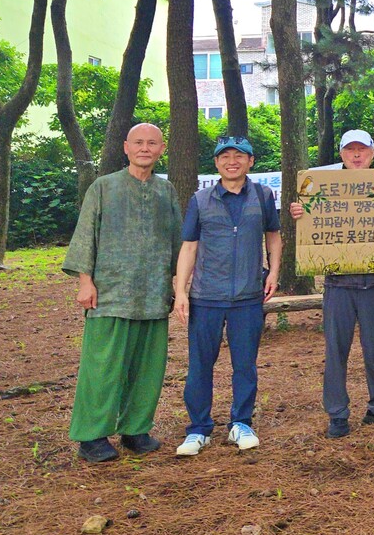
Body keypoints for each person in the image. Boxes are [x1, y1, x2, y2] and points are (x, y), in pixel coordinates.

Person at [63, 124, 182, 463]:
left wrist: (178, 284)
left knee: (148, 368)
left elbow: (177, 242)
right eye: (138, 143)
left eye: (152, 143)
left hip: (153, 294)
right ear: (126, 148)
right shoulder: (104, 187)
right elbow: (86, 233)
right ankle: (92, 436)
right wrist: (85, 281)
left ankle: (135, 429)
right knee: (102, 368)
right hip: (110, 293)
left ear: (162, 149)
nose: (145, 148)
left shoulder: (166, 191)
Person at [289, 129, 374, 438]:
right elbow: (311, 228)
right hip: (339, 283)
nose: (356, 155)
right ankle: (338, 414)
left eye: (362, 150)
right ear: (342, 154)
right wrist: (301, 215)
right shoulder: (322, 187)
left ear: (372, 154)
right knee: (336, 350)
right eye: (350, 150)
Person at [173, 136, 282, 456]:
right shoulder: (200, 199)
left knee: (245, 364)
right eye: (224, 156)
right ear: (216, 163)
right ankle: (198, 429)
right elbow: (189, 246)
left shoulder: (263, 195)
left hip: (248, 296)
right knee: (199, 366)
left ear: (251, 161)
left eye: (239, 156)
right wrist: (181, 290)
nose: (231, 161)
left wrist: (274, 271)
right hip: (206, 296)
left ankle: (241, 423)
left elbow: (273, 237)